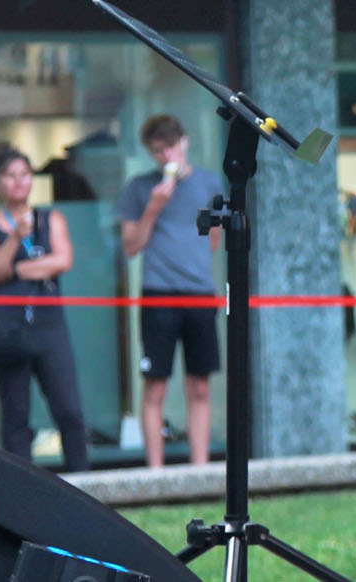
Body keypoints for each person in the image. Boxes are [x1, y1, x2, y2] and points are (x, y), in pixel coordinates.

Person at [116, 114, 223, 468]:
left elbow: (212, 241)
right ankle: (156, 474)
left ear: (185, 142)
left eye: (171, 147)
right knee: (156, 386)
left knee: (200, 386)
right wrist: (153, 208)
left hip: (199, 293)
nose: (167, 157)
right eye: (158, 151)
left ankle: (200, 469)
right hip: (158, 292)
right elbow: (131, 246)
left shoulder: (209, 183)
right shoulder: (139, 187)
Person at [0, 146, 90, 470]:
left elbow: (63, 260)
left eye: (24, 175)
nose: (18, 182)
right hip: (8, 331)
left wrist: (17, 269)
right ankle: (20, 502)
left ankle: (84, 483)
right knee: (15, 417)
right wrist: (16, 240)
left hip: (49, 326)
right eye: (10, 176)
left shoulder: (51, 218)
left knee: (69, 410)